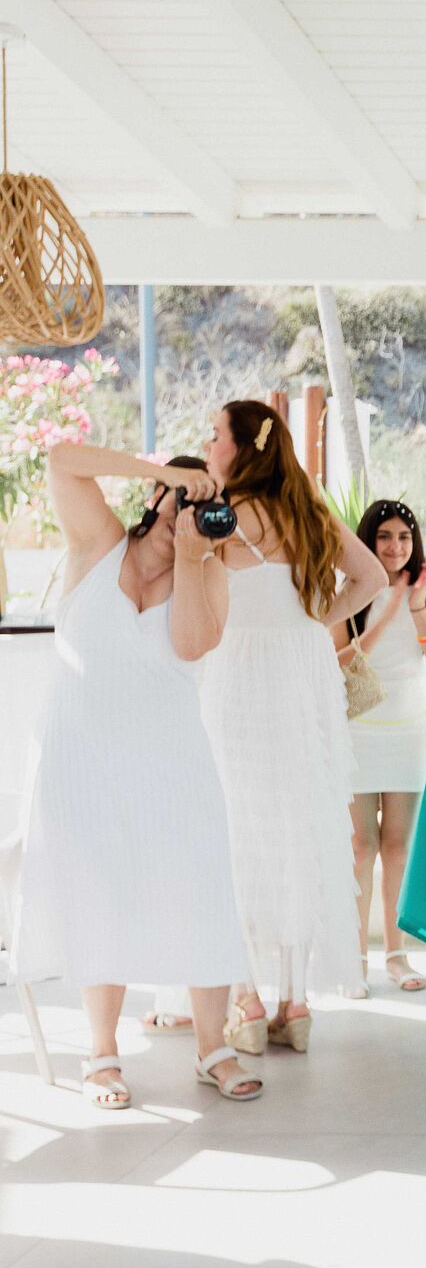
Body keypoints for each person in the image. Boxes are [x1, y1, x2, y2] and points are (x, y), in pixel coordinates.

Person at [9, 445, 263, 1104]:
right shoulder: (98, 542)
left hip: (172, 760)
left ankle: (214, 1048)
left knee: (203, 888)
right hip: (82, 758)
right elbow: (62, 461)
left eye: (209, 503)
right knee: (102, 893)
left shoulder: (208, 569)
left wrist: (193, 553)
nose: (194, 509)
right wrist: (168, 472)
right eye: (186, 496)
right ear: (157, 496)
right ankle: (101, 1053)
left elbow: (190, 643)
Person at [201, 401, 387, 1055]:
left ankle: (248, 1001)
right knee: (301, 826)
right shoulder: (308, 511)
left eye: (215, 433)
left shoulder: (227, 513)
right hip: (305, 675)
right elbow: (373, 575)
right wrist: (315, 621)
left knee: (239, 825)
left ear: (241, 446)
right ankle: (296, 1002)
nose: (209, 441)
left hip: (242, 674)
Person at [335, 499, 426, 995]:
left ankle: (396, 954)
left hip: (409, 733)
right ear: (367, 540)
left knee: (399, 845)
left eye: (404, 537)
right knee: (360, 846)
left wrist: (417, 602)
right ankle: (354, 956)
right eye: (384, 536)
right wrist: (387, 606)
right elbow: (336, 662)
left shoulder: (424, 593)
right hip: (357, 731)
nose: (395, 546)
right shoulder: (348, 594)